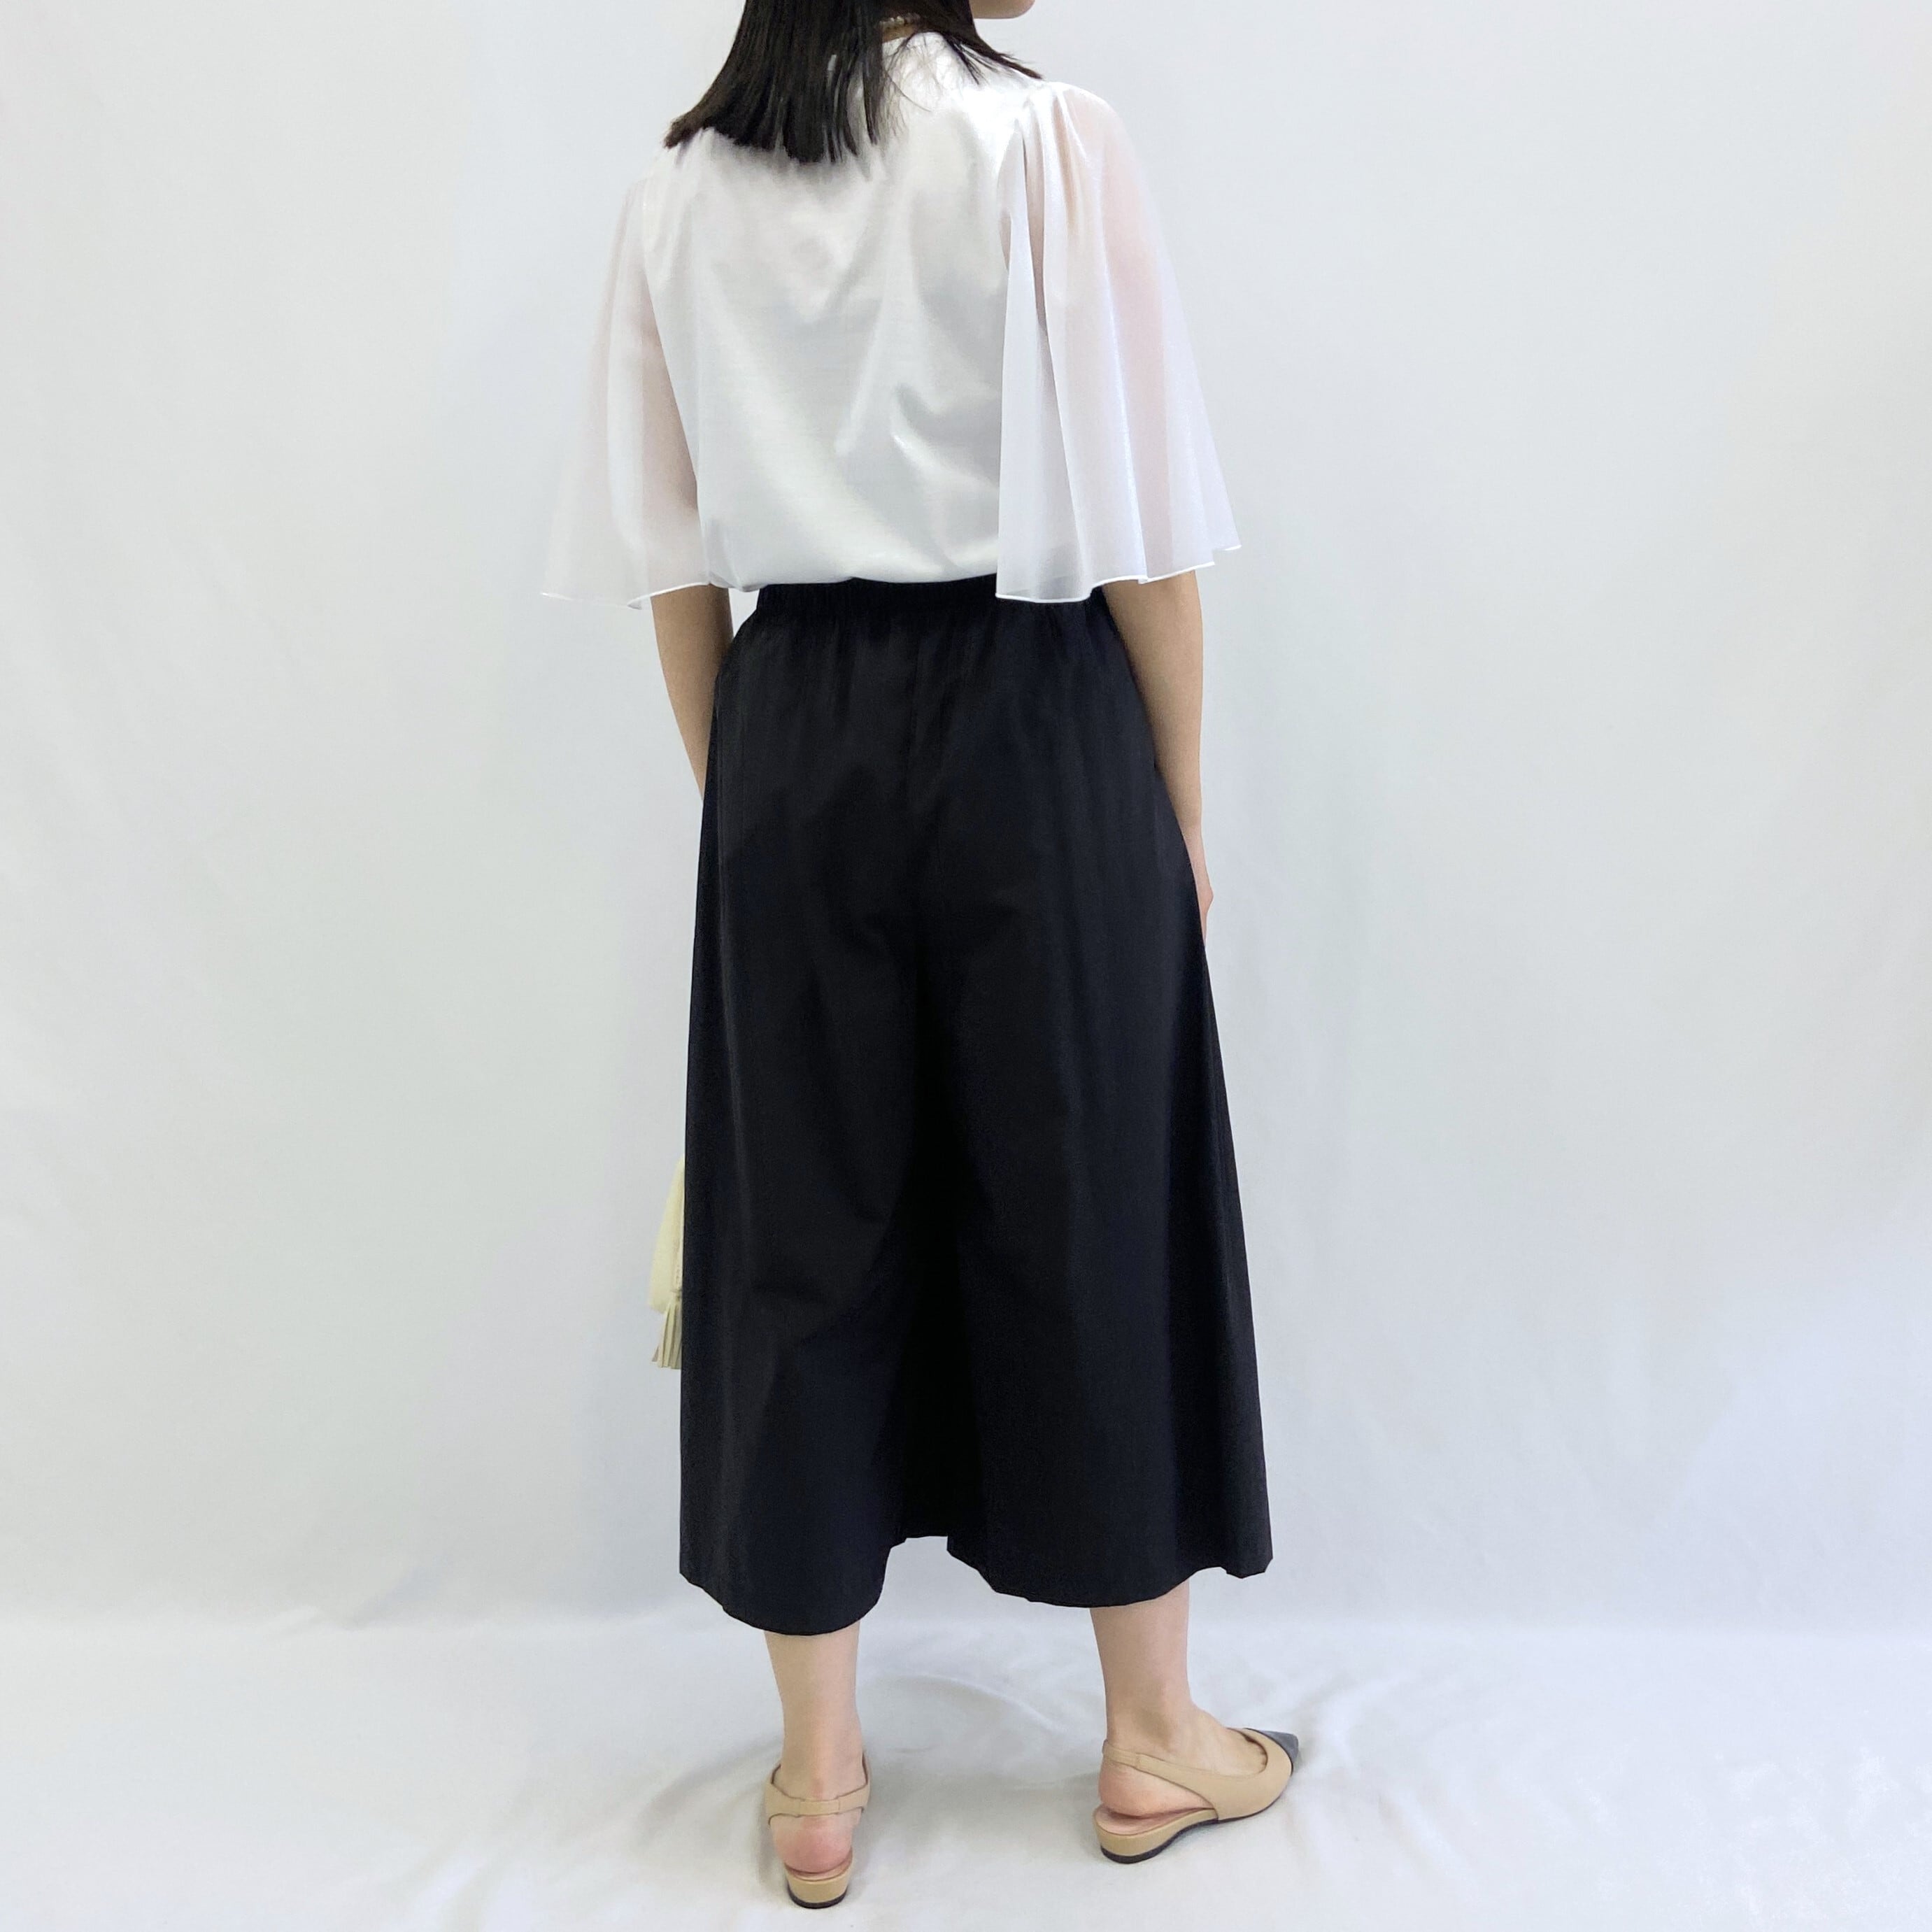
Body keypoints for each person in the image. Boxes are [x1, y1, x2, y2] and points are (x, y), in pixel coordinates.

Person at [544, 0, 1295, 1907]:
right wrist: (1176, 804)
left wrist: (753, 806)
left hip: (790, 718)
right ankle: (1150, 1735)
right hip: (1035, 709)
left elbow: (670, 558)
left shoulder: (681, 186)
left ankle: (817, 1780)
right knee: (1094, 1194)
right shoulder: (1047, 143)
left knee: (801, 1225)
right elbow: (1139, 530)